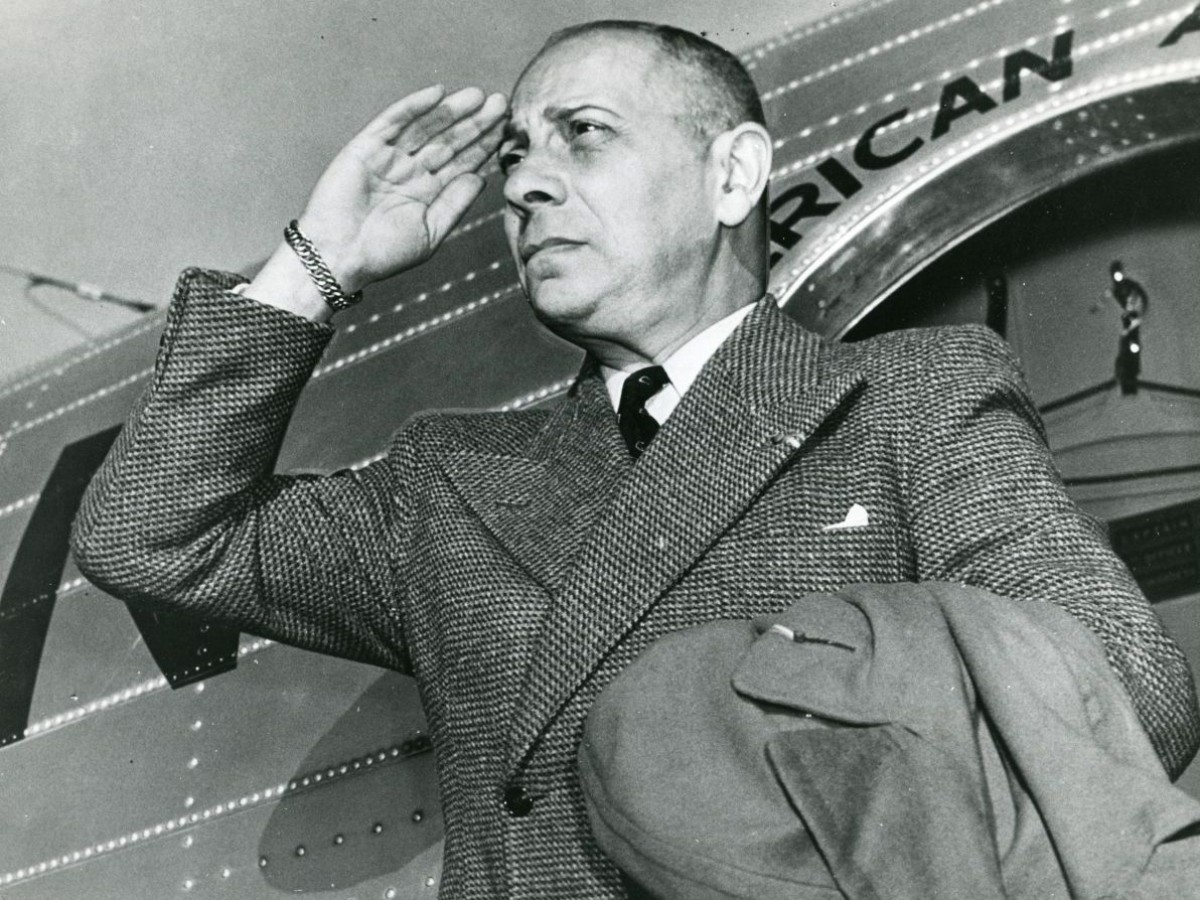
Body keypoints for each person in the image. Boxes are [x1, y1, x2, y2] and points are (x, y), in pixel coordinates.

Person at [71, 20, 1199, 900]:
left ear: (731, 175)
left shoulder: (908, 396)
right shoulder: (447, 483)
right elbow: (151, 533)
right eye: (515, 155)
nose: (523, 185)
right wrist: (317, 265)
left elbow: (1117, 693)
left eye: (584, 135)